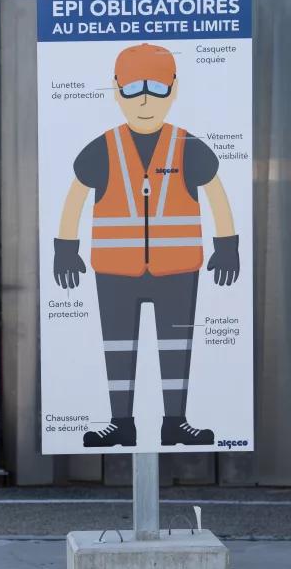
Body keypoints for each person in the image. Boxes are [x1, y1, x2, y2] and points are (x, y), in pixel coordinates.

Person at [53, 42, 240, 448]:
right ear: (116, 90)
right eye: (133, 88)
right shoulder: (102, 147)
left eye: (156, 88)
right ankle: (121, 423)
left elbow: (216, 194)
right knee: (118, 347)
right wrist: (64, 247)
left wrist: (228, 244)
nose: (144, 100)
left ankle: (176, 422)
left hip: (178, 270)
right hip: (115, 271)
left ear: (173, 90)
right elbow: (76, 196)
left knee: (177, 346)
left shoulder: (188, 146)